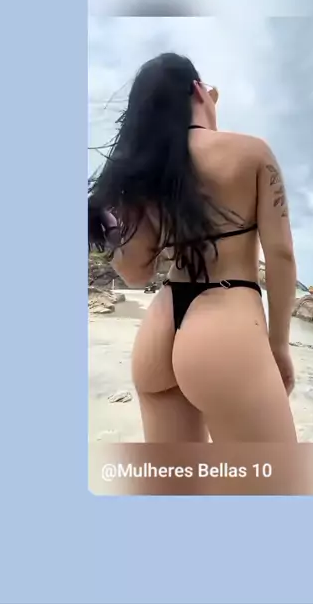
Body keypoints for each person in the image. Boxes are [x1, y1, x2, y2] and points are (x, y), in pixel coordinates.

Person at [88, 53, 298, 444]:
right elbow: (281, 254)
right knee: (273, 476)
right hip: (225, 324)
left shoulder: (148, 172)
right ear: (199, 91)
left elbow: (136, 274)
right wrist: (279, 344)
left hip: (160, 329)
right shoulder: (251, 152)